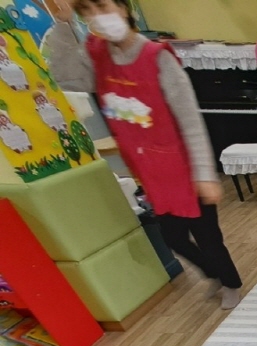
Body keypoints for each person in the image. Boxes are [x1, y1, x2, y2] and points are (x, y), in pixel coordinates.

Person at [46, 0, 244, 310]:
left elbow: (190, 119)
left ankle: (231, 283)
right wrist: (62, 24)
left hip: (184, 168)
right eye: (88, 10)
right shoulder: (96, 53)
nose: (97, 16)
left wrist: (204, 176)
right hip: (150, 171)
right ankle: (214, 274)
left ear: (123, 8)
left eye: (102, 5)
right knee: (173, 237)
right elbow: (68, 79)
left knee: (208, 238)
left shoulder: (157, 56)